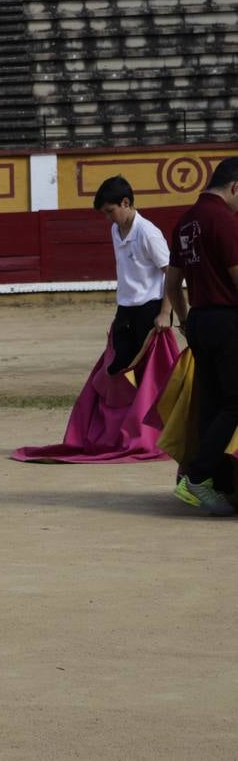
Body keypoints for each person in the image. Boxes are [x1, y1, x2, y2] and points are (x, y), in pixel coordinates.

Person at [166, 156, 238, 516]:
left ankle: (216, 482)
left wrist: (184, 321)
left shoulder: (185, 221)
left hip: (198, 320)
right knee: (235, 403)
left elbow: (171, 283)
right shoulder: (224, 221)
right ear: (234, 187)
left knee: (212, 405)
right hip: (227, 321)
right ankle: (197, 476)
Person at [93, 176, 172, 374]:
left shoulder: (148, 233)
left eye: (110, 211)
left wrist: (164, 313)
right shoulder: (115, 229)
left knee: (147, 371)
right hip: (126, 308)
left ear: (126, 203)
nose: (108, 218)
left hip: (151, 308)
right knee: (117, 369)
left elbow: (171, 273)